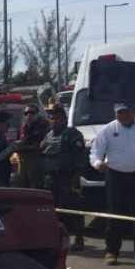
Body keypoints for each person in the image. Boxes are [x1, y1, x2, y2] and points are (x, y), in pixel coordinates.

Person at [89, 103, 135, 265]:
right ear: (115, 114)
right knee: (114, 215)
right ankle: (112, 251)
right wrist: (98, 163)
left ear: (133, 112)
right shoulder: (107, 130)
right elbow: (95, 152)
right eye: (120, 113)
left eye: (126, 112)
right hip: (116, 177)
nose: (123, 115)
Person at [39, 106, 88, 252]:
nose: (54, 121)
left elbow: (81, 156)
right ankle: (56, 239)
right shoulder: (48, 135)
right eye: (51, 118)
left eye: (57, 118)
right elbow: (43, 153)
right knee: (53, 211)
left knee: (74, 209)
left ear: (65, 119)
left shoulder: (72, 134)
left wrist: (76, 176)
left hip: (67, 177)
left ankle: (79, 239)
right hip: (51, 178)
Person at [15, 105, 49, 188]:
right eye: (26, 113)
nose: (29, 115)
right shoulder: (22, 129)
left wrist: (26, 143)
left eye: (32, 113)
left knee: (38, 186)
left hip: (38, 161)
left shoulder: (44, 126)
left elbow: (41, 141)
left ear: (38, 114)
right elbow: (18, 144)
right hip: (24, 162)